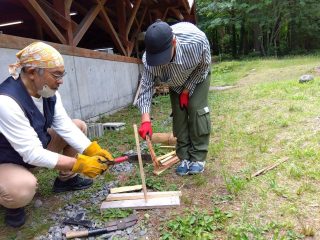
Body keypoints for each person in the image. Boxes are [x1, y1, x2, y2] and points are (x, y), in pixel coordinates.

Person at [0, 42, 113, 228]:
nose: (60, 80)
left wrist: (93, 150)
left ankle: (66, 181)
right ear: (31, 72)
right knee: (22, 188)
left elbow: (65, 126)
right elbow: (32, 153)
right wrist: (80, 164)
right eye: (56, 75)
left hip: (30, 151)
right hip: (6, 160)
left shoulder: (48, 92)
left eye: (62, 74)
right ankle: (12, 202)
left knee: (78, 126)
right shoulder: (6, 101)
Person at [136, 20, 211, 176]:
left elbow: (203, 67)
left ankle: (198, 157)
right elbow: (146, 87)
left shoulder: (197, 42)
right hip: (175, 81)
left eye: (163, 57)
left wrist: (187, 90)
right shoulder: (148, 59)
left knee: (196, 109)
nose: (160, 62)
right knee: (179, 116)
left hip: (196, 76)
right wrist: (146, 120)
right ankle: (184, 157)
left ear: (174, 42)